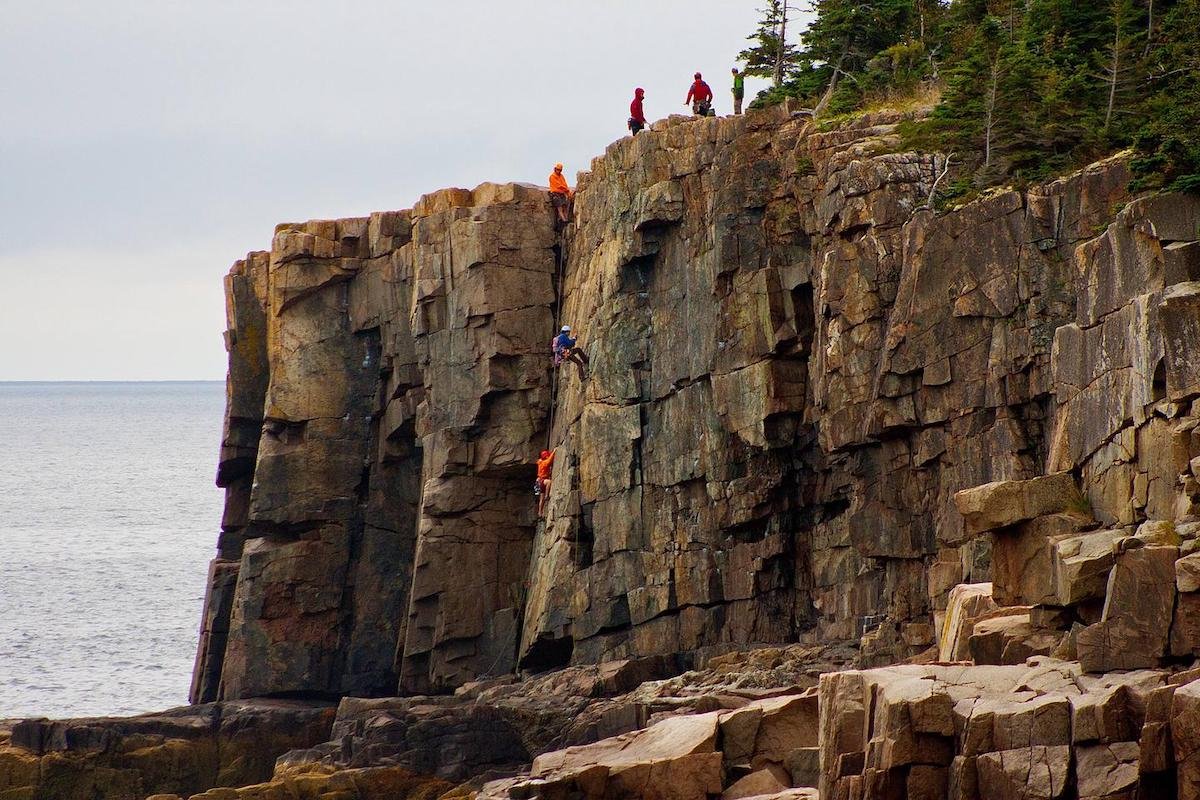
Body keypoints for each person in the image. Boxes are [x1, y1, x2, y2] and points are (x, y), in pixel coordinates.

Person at [535, 448, 555, 515]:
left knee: (541, 498)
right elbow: (549, 461)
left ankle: (540, 512)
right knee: (549, 482)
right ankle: (547, 495)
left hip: (538, 482)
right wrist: (554, 451)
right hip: (542, 480)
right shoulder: (544, 463)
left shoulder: (539, 462)